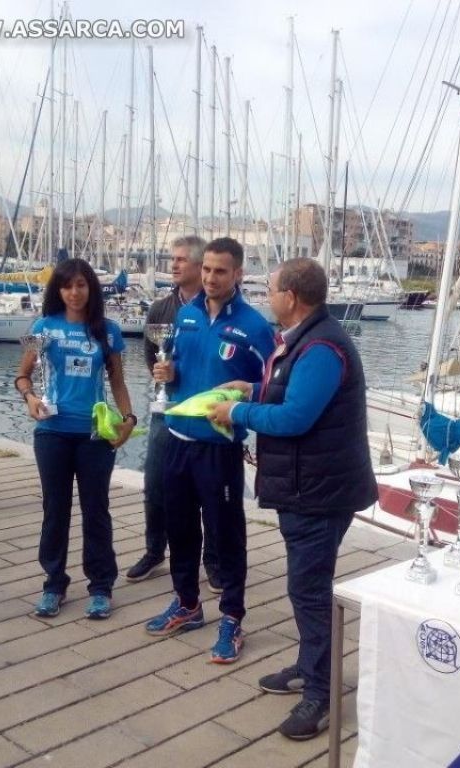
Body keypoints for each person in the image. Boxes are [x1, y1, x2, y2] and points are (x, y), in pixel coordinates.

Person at [208, 257, 378, 739]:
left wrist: (237, 411)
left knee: (308, 590)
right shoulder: (306, 338)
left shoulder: (322, 346)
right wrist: (253, 387)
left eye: (273, 289)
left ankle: (321, 696)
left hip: (319, 492)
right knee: (306, 586)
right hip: (308, 487)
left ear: (292, 297)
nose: (267, 295)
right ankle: (309, 666)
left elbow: (296, 417)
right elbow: (288, 395)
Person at [144, 237, 275, 664]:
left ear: (238, 274)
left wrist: (245, 406)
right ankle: (187, 603)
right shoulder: (185, 315)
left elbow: (273, 389)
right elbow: (180, 366)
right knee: (179, 528)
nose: (210, 278)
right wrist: (169, 369)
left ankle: (232, 618)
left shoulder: (256, 328)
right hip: (177, 438)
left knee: (226, 534)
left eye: (220, 271)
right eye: (206, 271)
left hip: (219, 449)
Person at [16, 258, 134, 621]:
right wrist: (30, 398)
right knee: (55, 510)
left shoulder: (108, 330)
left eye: (81, 285)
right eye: (67, 286)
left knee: (96, 510)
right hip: (52, 433)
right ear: (58, 290)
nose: (74, 292)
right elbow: (22, 376)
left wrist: (128, 419)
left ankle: (101, 586)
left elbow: (116, 381)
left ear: (91, 289)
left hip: (95, 435)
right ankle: (54, 583)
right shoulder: (43, 327)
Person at [126, 235, 220, 589]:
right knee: (155, 483)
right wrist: (162, 373)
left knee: (207, 490)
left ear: (199, 266)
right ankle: (154, 551)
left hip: (204, 413)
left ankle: (212, 561)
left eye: (181, 259)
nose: (174, 265)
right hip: (165, 410)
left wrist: (183, 375)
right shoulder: (160, 310)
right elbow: (153, 355)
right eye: (172, 258)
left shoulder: (215, 310)